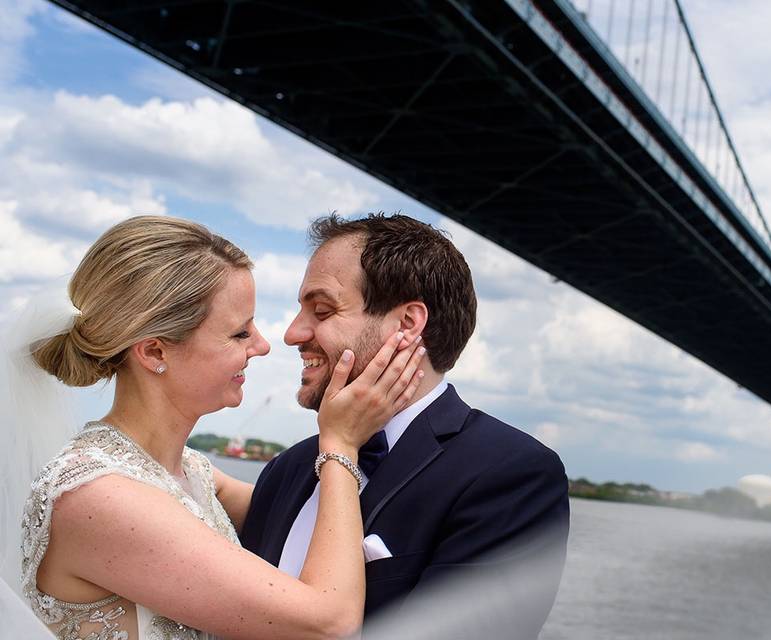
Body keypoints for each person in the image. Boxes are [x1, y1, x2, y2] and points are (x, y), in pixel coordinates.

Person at [3, 215, 427, 639]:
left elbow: (288, 511)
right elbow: (327, 622)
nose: (263, 346)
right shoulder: (97, 497)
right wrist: (341, 444)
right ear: (154, 352)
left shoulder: (193, 473)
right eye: (240, 333)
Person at [240, 214, 570, 638]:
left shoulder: (513, 475)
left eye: (321, 309)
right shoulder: (288, 466)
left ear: (408, 324)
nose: (291, 333)